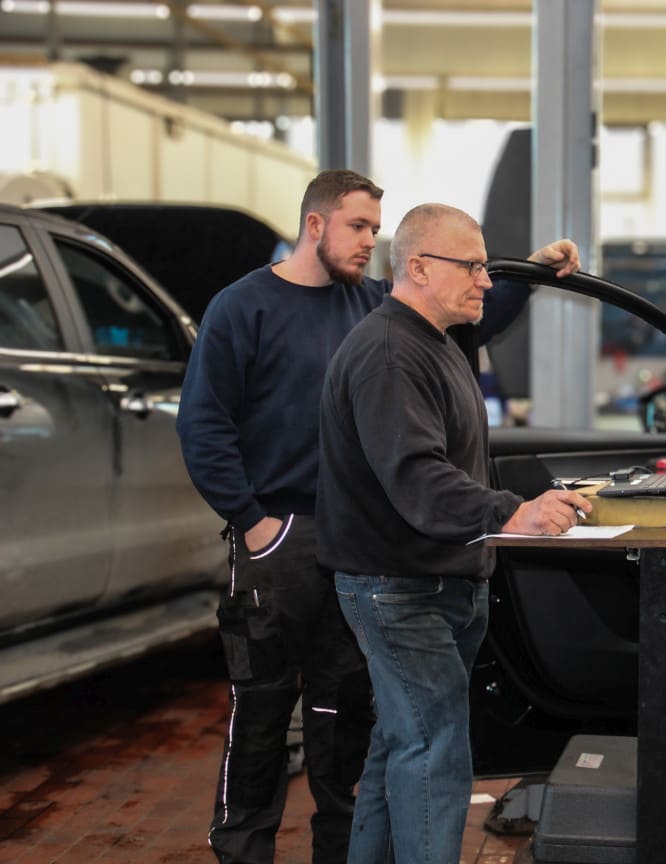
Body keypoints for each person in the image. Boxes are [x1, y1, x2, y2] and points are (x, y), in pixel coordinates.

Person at [176, 170, 580, 864]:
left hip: (359, 537)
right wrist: (252, 522)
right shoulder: (247, 308)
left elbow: (461, 305)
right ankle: (244, 850)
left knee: (356, 726)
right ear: (315, 225)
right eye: (359, 226)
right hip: (286, 537)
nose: (371, 240)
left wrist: (530, 273)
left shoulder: (371, 306)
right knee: (268, 713)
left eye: (375, 227)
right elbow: (204, 425)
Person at [316, 203, 592, 864]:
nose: (484, 280)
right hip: (397, 588)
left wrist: (532, 270)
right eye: (471, 266)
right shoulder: (388, 354)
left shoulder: (436, 340)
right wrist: (510, 513)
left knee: (401, 747)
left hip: (436, 582)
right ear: (416, 267)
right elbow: (417, 478)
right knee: (435, 751)